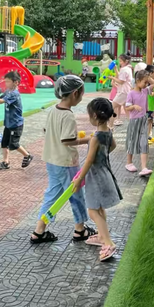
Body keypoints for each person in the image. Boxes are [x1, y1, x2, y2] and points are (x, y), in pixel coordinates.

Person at [30, 75, 97, 244]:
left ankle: (39, 230)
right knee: (76, 195)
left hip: (51, 160)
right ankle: (80, 230)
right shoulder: (68, 115)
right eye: (81, 93)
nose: (81, 97)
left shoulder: (54, 109)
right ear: (75, 93)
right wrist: (87, 139)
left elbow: (48, 131)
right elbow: (66, 140)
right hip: (66, 162)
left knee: (52, 195)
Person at [73, 98, 123, 262]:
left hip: (95, 178)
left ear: (94, 116)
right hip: (105, 173)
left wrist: (79, 178)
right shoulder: (107, 131)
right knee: (99, 208)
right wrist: (102, 152)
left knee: (93, 210)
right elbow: (113, 146)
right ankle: (101, 236)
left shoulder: (96, 137)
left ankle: (108, 242)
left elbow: (88, 160)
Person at [0, 71, 34, 170]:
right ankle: (5, 162)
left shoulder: (14, 94)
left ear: (16, 82)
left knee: (13, 144)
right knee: (4, 143)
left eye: (8, 82)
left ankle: (27, 155)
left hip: (16, 124)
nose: (6, 84)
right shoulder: (8, 91)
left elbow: (1, 101)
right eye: (5, 81)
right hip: (8, 123)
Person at [124, 70, 154, 176]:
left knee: (144, 143)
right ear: (137, 81)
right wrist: (134, 106)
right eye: (144, 82)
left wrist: (147, 77)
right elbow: (127, 107)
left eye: (147, 82)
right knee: (132, 141)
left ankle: (144, 167)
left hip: (143, 120)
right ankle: (129, 163)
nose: (146, 84)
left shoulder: (145, 91)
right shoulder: (131, 93)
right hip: (134, 121)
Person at [108, 54, 133, 127]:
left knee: (112, 107)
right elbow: (120, 77)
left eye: (121, 61)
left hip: (123, 92)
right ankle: (133, 127)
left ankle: (110, 126)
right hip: (127, 91)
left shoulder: (124, 69)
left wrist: (112, 78)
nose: (120, 62)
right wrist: (115, 69)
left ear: (126, 61)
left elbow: (121, 81)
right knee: (127, 111)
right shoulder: (128, 68)